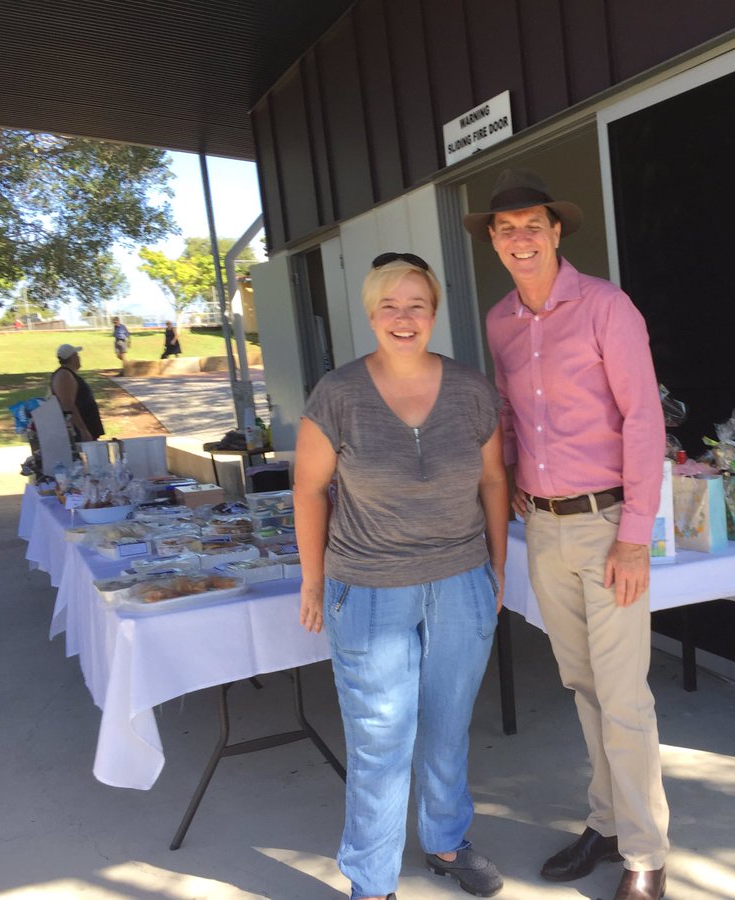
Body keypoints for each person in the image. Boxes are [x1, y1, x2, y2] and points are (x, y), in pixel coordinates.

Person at [466, 169, 669, 900]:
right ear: (493, 241)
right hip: (544, 530)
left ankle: (645, 854)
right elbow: (512, 413)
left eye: (532, 225)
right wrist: (515, 467)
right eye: (505, 228)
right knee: (582, 684)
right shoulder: (499, 323)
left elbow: (644, 419)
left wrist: (635, 536)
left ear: (555, 232)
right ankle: (607, 819)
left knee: (623, 696)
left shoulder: (607, 308)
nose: (520, 238)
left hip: (611, 525)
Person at [295, 252, 508, 900]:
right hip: (367, 589)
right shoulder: (339, 394)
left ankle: (445, 838)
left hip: (460, 581)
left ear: (435, 313)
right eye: (389, 306)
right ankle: (372, 881)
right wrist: (312, 582)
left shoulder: (471, 390)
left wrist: (496, 570)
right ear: (370, 315)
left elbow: (495, 480)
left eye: (416, 305)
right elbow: (308, 489)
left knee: (447, 723)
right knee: (381, 741)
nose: (403, 317)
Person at [50, 343, 105, 442]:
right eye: (77, 355)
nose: (79, 358)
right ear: (72, 357)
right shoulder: (64, 375)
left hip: (87, 427)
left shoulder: (68, 374)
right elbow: (68, 405)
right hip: (78, 433)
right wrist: (82, 430)